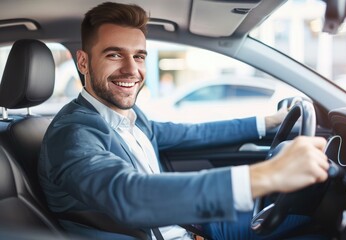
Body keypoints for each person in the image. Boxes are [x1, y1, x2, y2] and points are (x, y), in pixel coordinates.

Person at [38, 2, 329, 240]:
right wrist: (267, 175)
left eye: (139, 57)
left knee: (317, 228)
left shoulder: (131, 117)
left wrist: (266, 122)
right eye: (114, 54)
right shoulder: (73, 133)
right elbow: (128, 194)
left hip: (186, 227)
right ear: (84, 62)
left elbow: (193, 133)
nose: (131, 69)